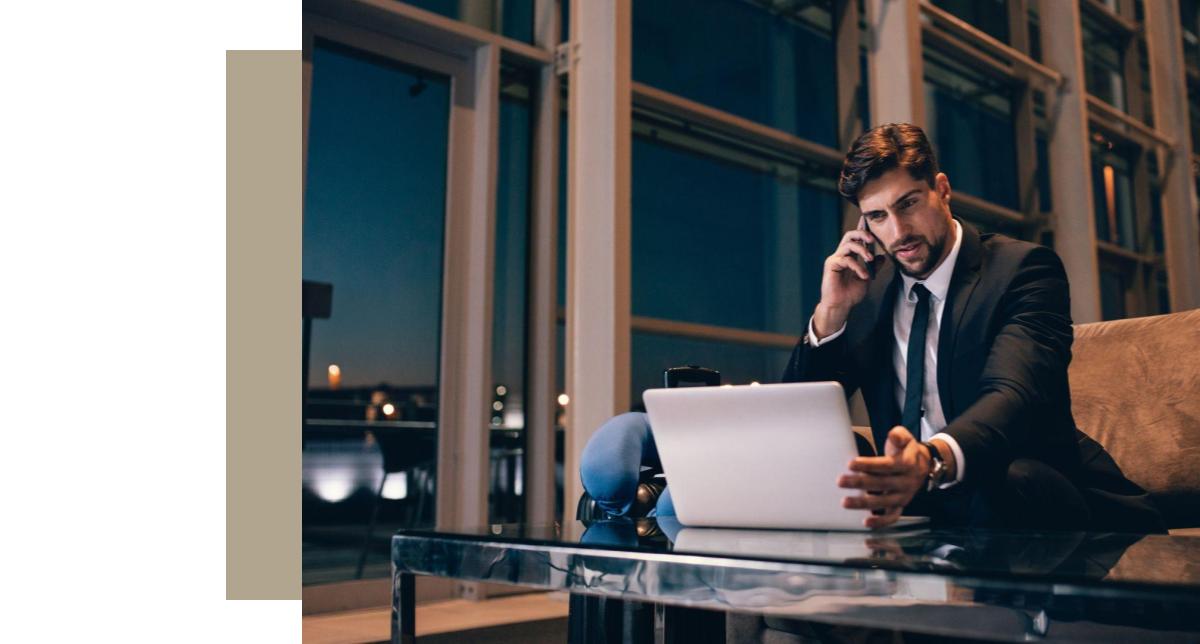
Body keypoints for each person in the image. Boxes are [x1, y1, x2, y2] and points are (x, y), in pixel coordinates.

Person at [580, 123, 1164, 533]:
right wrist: (830, 313)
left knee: (1005, 480)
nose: (897, 230)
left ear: (942, 189)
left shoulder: (1022, 270)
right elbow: (795, 414)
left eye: (908, 204)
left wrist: (930, 461)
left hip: (1035, 494)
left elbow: (1013, 397)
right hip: (918, 513)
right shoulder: (871, 290)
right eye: (877, 216)